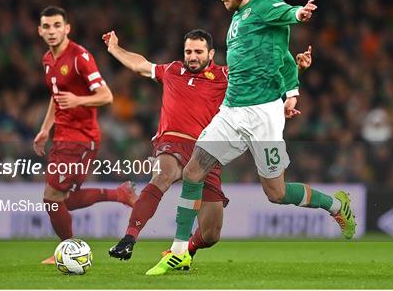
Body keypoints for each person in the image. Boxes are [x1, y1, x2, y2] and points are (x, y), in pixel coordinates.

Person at [146, 0, 356, 276]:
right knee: (192, 171)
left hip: (263, 115)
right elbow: (283, 58)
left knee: (277, 193)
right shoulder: (237, 19)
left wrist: (299, 14)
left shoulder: (265, 5)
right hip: (231, 110)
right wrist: (293, 92)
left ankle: (338, 206)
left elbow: (287, 12)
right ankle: (178, 251)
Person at [103, 29, 312, 263]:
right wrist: (115, 49)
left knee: (211, 233)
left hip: (207, 150)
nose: (192, 56)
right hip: (173, 140)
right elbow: (141, 65)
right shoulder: (172, 70)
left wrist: (297, 70)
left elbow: (263, 84)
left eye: (198, 52)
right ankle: (128, 239)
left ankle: (185, 252)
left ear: (211, 53)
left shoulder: (225, 75)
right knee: (164, 174)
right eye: (188, 52)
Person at [33, 6, 137, 264]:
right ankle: (119, 194)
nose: (52, 31)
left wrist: (78, 99)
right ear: (40, 31)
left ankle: (69, 250)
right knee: (63, 200)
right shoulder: (48, 59)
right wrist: (46, 129)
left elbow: (106, 96)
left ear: (67, 28)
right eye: (46, 26)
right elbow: (56, 98)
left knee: (52, 198)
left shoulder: (80, 57)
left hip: (80, 138)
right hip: (63, 136)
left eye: (57, 25)